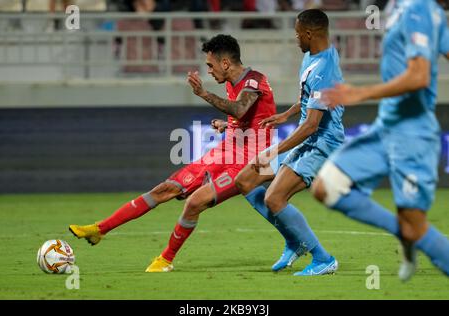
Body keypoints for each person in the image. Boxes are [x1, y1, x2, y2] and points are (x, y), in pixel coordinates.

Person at [69, 34, 277, 272]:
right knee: (165, 189)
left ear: (225, 63)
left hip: (254, 161)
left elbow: (240, 110)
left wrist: (204, 94)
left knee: (194, 202)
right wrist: (225, 125)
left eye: (210, 65)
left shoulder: (254, 80)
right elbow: (247, 119)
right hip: (227, 151)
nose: (208, 70)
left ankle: (165, 260)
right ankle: (100, 229)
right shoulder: (232, 83)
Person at [312, 0, 449, 281]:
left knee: (416, 228)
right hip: (386, 129)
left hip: (412, 135)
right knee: (327, 187)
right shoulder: (400, 7)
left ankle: (410, 233)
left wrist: (360, 94)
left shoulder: (419, 9)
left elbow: (419, 76)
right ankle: (405, 231)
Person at [235, 9, 344, 275]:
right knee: (245, 180)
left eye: (297, 34)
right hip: (307, 141)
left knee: (274, 197)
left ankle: (322, 259)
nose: (295, 39)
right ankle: (295, 242)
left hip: (321, 144)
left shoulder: (325, 68)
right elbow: (309, 100)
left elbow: (311, 126)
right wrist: (285, 115)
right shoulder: (311, 57)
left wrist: (273, 150)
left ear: (309, 34)